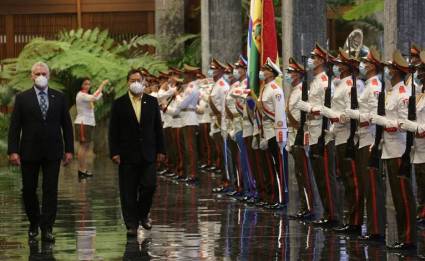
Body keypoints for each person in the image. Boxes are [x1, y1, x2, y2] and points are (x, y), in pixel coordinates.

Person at [8, 61, 74, 242]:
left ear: (49, 76)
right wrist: (13, 150)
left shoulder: (59, 97)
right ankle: (33, 222)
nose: (40, 77)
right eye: (37, 74)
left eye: (43, 73)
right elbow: (15, 126)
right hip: (29, 151)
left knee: (50, 190)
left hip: (53, 151)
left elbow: (66, 125)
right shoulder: (22, 98)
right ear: (32, 76)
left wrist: (69, 149)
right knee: (29, 190)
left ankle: (47, 228)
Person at [108, 69, 165, 237]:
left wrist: (161, 149)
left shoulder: (152, 102)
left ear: (143, 81)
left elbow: (157, 128)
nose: (135, 82)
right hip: (127, 154)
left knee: (149, 185)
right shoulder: (119, 103)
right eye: (132, 80)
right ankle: (131, 224)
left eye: (138, 79)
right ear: (127, 82)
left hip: (148, 153)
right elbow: (113, 130)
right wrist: (114, 152)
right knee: (128, 191)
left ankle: (143, 213)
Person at [372, 50, 417, 251]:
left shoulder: (403, 94)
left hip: (399, 149)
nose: (388, 70)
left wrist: (384, 122)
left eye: (391, 68)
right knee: (397, 197)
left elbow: (403, 123)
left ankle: (408, 239)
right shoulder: (391, 92)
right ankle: (403, 237)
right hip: (389, 149)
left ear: (397, 71)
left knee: (403, 197)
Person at [74, 77, 109, 178]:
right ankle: (81, 170)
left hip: (87, 123)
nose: (87, 86)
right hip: (83, 123)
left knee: (85, 146)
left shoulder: (86, 95)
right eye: (85, 84)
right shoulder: (81, 95)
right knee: (83, 146)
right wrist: (102, 85)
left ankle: (83, 169)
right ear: (80, 85)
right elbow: (94, 97)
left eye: (89, 84)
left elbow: (95, 97)